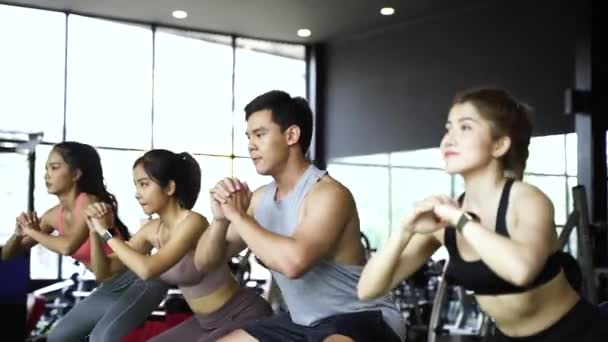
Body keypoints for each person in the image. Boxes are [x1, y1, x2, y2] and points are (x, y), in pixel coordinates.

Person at [358, 87, 608, 341]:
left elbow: (521, 271)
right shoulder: (443, 220)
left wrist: (459, 220)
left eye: (465, 127)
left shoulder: (526, 200)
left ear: (499, 145)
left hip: (579, 334)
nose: (448, 139)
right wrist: (405, 229)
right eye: (448, 128)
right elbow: (367, 289)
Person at [195, 90, 405, 341]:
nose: (251, 145)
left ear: (292, 135)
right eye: (248, 136)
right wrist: (220, 219)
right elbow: (205, 263)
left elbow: (293, 264)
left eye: (260, 134)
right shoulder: (260, 199)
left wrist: (239, 216)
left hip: (361, 317)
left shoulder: (327, 194)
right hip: (302, 323)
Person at [86, 149, 272, 342]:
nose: (137, 194)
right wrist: (94, 231)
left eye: (144, 184)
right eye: (136, 185)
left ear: (169, 188)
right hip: (204, 322)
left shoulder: (192, 222)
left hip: (241, 314)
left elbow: (147, 269)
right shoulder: (152, 230)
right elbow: (104, 272)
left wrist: (105, 233)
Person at [1, 141, 168, 342]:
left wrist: (32, 232)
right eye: (46, 169)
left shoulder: (90, 202)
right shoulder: (54, 215)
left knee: (101, 338)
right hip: (108, 287)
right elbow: (7, 255)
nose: (47, 174)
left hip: (137, 280)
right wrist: (19, 233)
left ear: (76, 174)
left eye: (54, 167)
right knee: (58, 338)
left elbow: (67, 246)